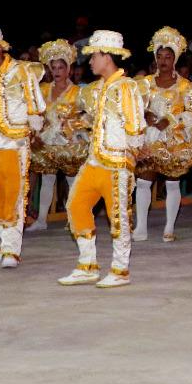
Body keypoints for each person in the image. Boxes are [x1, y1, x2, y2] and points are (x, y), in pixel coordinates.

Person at [58, 30, 146, 288]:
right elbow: (95, 120)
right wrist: (73, 122)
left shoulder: (127, 87)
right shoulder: (97, 89)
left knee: (117, 218)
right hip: (95, 161)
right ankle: (88, 265)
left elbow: (135, 126)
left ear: (107, 57)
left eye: (94, 56)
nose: (90, 61)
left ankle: (120, 270)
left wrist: (130, 160)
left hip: (117, 164)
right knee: (75, 206)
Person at [0, 26, 45, 268]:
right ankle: (4, 244)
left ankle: (12, 251)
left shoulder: (21, 70)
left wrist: (34, 131)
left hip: (16, 141)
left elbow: (36, 104)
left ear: (0, 47)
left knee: (15, 193)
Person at [135, 28, 192, 242]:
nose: (163, 61)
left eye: (168, 57)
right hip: (149, 137)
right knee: (144, 181)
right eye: (160, 56)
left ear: (175, 59)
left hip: (174, 139)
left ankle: (169, 227)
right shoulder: (144, 84)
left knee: (172, 183)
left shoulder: (186, 86)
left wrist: (170, 120)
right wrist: (146, 114)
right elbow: (134, 106)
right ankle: (141, 227)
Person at [29, 39, 87, 233]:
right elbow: (37, 113)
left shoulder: (78, 92)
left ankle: (74, 220)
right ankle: (42, 220)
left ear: (68, 69)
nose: (57, 71)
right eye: (53, 67)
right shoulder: (44, 89)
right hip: (48, 141)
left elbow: (86, 117)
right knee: (47, 179)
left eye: (61, 67)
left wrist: (71, 126)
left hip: (70, 142)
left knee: (72, 181)